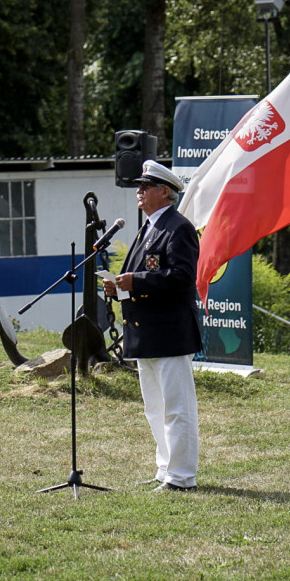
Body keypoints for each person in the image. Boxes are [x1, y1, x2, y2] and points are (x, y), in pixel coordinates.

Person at [103, 160, 202, 492]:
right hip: (146, 332)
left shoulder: (178, 228)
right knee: (155, 408)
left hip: (170, 332)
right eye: (138, 187)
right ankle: (165, 468)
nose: (139, 192)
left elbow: (183, 276)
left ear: (165, 192)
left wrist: (136, 280)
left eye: (146, 187)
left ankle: (182, 476)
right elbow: (143, 279)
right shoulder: (148, 227)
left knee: (177, 408)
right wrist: (119, 289)